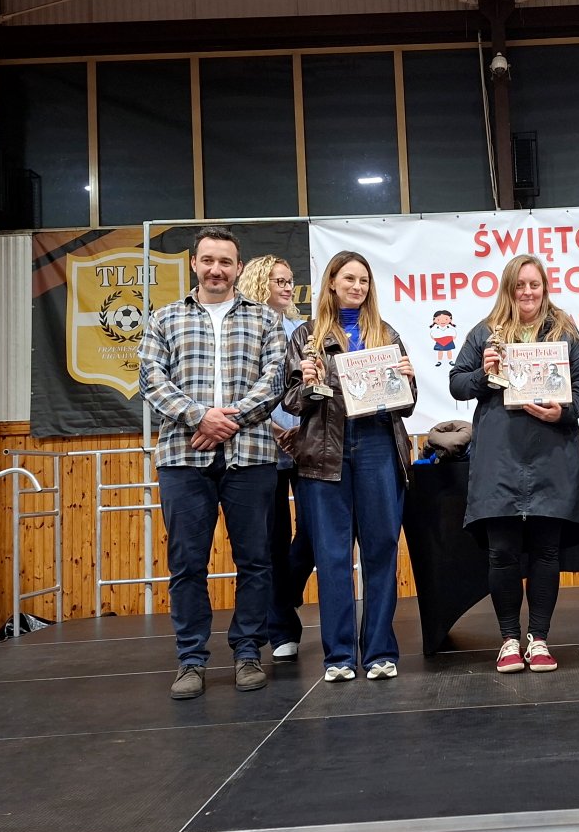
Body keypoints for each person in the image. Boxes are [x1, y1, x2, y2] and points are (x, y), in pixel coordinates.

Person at [138, 226, 286, 700]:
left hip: (252, 458)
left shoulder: (265, 320)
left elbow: (275, 379)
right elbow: (151, 379)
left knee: (255, 561)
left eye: (225, 261)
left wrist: (228, 420)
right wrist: (199, 416)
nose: (216, 269)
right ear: (194, 264)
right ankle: (191, 660)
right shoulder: (163, 319)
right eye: (208, 260)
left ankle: (248, 653)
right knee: (187, 564)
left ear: (238, 268)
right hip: (183, 458)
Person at [449, 256, 579, 673]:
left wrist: (564, 411)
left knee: (547, 551)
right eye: (520, 285)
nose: (527, 292)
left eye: (534, 284)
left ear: (544, 287)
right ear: (508, 289)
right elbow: (457, 382)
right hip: (500, 457)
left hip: (552, 454)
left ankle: (540, 639)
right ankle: (509, 640)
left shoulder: (565, 332)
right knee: (502, 552)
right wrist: (483, 374)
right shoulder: (486, 332)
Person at [282, 251, 417, 682]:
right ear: (332, 283)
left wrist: (407, 379)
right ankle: (338, 656)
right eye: (349, 279)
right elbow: (291, 401)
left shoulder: (386, 333)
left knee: (381, 550)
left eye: (364, 280)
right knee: (332, 556)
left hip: (378, 445)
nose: (357, 287)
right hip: (326, 452)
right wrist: (309, 384)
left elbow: (408, 405)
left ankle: (380, 652)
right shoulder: (306, 335)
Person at [235, 254, 314, 664]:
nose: (287, 287)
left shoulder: (302, 329)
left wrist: (304, 428)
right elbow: (241, 389)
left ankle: (283, 596)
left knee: (315, 531)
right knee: (273, 539)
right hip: (264, 445)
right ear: (258, 282)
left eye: (289, 280)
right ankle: (282, 628)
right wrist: (272, 429)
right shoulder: (245, 329)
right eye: (278, 280)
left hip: (306, 442)